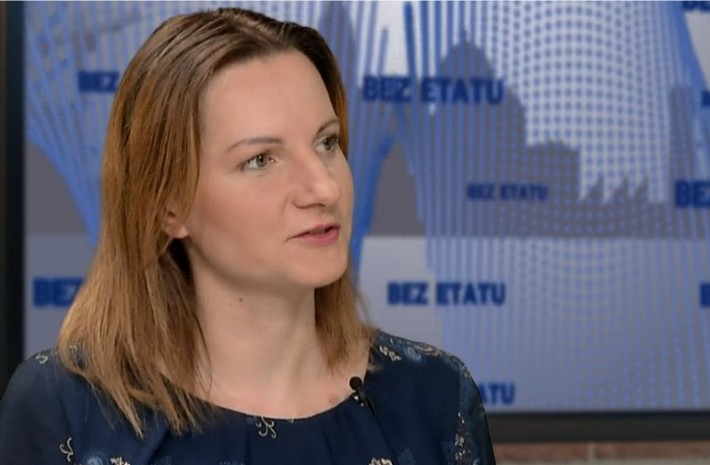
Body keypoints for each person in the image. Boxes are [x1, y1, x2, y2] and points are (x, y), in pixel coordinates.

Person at [0, 7, 496, 465]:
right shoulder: (63, 410)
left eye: (326, 142)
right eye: (261, 160)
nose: (324, 187)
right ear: (169, 206)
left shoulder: (435, 397)